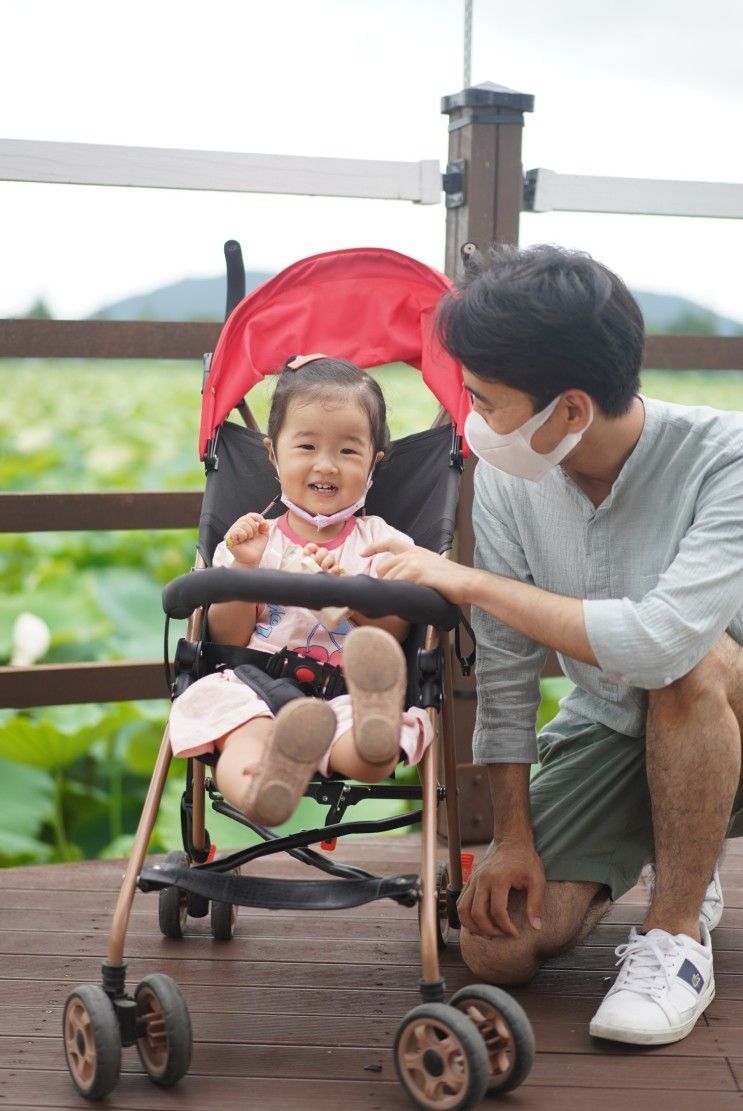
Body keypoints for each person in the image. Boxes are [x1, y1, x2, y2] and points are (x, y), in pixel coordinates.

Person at [363, 243, 743, 1047]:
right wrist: (511, 834)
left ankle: (676, 935)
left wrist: (466, 582)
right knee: (500, 945)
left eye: (485, 400)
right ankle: (685, 851)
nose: (471, 421)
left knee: (686, 660)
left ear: (570, 409)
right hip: (613, 725)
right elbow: (501, 665)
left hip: (718, 698)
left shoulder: (724, 458)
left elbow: (656, 643)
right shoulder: (509, 472)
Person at [168, 355, 431, 828]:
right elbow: (227, 634)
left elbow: (394, 630)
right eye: (306, 446)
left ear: (375, 463)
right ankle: (264, 784)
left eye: (349, 452)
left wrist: (353, 596)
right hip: (254, 684)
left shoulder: (382, 543)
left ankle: (374, 727)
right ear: (273, 455)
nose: (325, 465)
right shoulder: (252, 539)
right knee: (238, 727)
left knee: (374, 751)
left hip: (345, 693)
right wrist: (244, 575)